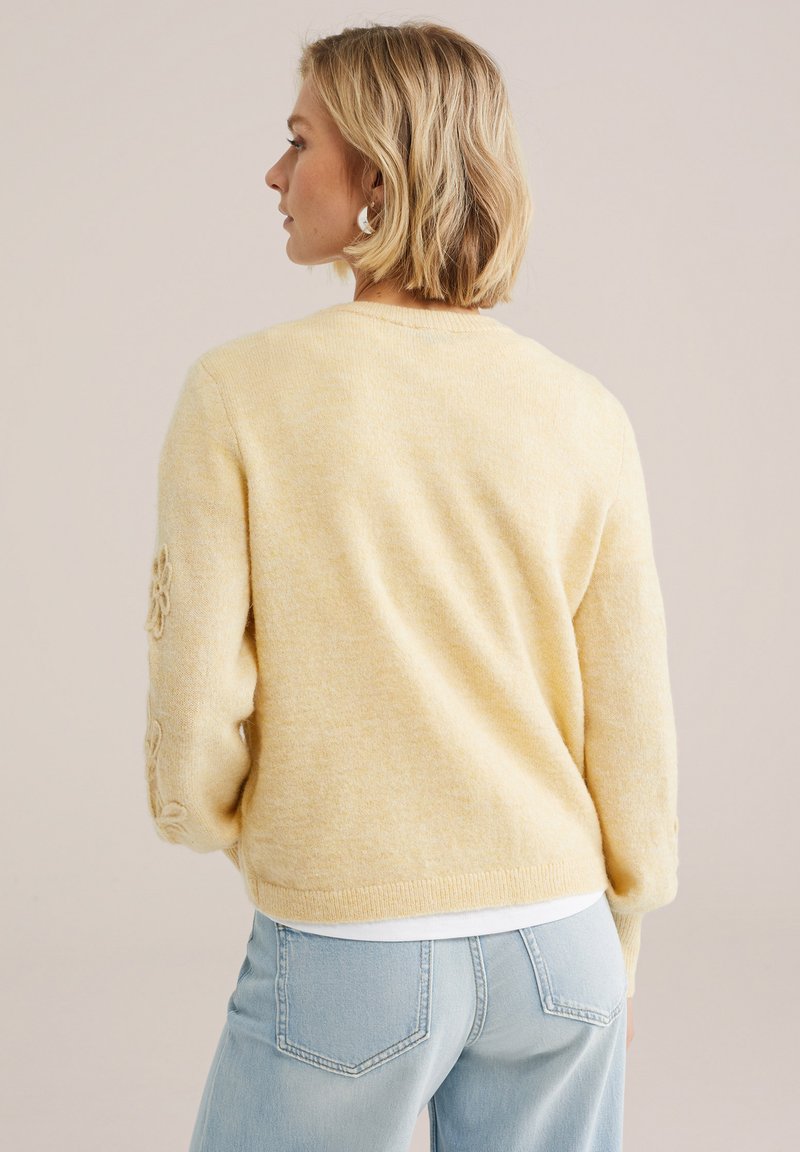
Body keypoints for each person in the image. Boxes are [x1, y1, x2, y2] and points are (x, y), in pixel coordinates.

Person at [143, 19, 678, 1152]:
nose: (276, 173)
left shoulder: (238, 394)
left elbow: (194, 713)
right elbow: (631, 722)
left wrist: (233, 828)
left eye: (300, 142)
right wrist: (619, 945)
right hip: (562, 946)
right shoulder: (584, 411)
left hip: (352, 943)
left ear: (378, 178)